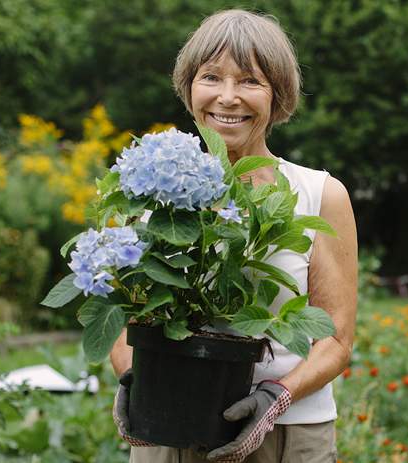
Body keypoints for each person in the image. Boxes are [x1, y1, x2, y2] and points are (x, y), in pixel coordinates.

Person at [109, 9, 358, 463]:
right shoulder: (152, 195)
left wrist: (275, 397)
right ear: (189, 87)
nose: (227, 98)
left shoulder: (317, 194)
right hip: (169, 432)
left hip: (286, 436)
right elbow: (128, 317)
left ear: (277, 96)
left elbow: (336, 340)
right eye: (211, 77)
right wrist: (132, 377)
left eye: (249, 81)